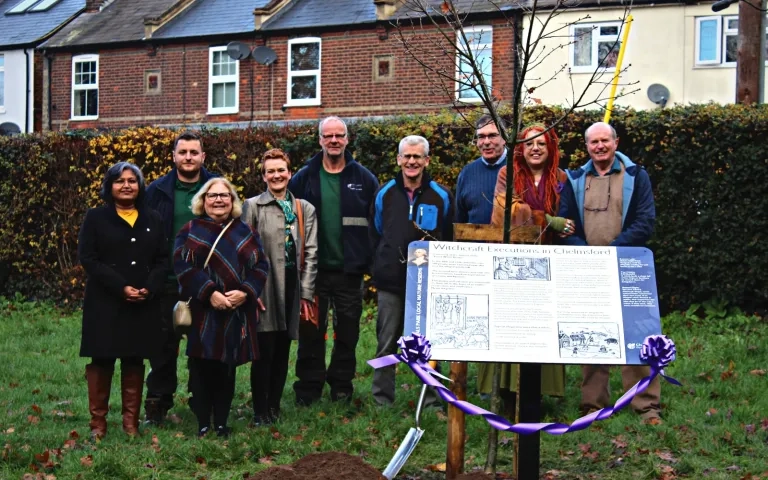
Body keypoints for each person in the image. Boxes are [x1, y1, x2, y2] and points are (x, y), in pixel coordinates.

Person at [558, 121, 660, 423]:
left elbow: (645, 221)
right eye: (594, 142)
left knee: (637, 335)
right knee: (591, 334)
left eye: (605, 140)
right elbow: (565, 224)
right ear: (586, 146)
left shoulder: (636, 176)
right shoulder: (575, 179)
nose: (600, 146)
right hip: (588, 269)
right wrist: (586, 253)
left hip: (628, 265)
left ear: (616, 142)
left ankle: (646, 405)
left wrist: (612, 251)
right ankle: (593, 405)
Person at [478, 125, 576, 417]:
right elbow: (502, 210)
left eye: (542, 144)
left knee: (540, 328)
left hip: (547, 264)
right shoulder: (508, 174)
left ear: (550, 149)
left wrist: (562, 224)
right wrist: (545, 218)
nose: (535, 148)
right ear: (520, 148)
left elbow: (568, 218)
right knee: (511, 328)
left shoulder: (560, 178)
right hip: (513, 264)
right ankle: (507, 395)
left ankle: (534, 396)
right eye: (530, 144)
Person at [288, 116, 379, 405]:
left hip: (349, 271)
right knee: (311, 333)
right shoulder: (303, 178)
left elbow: (374, 226)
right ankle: (308, 388)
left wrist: (368, 263)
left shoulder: (364, 179)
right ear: (320, 141)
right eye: (328, 136)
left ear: (348, 139)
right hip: (312, 273)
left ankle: (341, 385)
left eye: (339, 135)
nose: (334, 140)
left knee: (348, 331)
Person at [78, 162, 168, 439]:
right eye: (120, 181)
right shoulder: (95, 218)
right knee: (102, 360)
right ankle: (98, 425)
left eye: (132, 181)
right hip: (105, 302)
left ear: (140, 187)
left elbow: (163, 259)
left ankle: (131, 424)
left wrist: (148, 288)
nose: (126, 185)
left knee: (134, 359)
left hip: (141, 303)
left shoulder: (152, 218)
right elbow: (88, 259)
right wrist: (121, 287)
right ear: (110, 186)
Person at [174, 178, 269, 437]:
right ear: (203, 201)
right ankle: (204, 421)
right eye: (212, 196)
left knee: (227, 368)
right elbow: (182, 266)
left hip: (235, 311)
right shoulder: (190, 230)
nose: (218, 200)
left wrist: (246, 292)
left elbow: (261, 266)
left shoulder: (246, 231)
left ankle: (222, 422)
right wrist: (209, 292)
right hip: (203, 311)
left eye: (224, 196)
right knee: (202, 367)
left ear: (233, 201)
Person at [369, 135, 454, 406]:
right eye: (407, 156)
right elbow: (378, 230)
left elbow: (448, 235)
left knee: (427, 345)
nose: (412, 161)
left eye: (417, 156)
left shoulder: (441, 196)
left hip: (427, 284)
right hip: (391, 282)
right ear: (398, 159)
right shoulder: (385, 194)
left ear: (427, 161)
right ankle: (383, 400)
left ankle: (431, 400)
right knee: (386, 343)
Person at [143, 131, 218, 425]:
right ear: (173, 156)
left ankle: (204, 403)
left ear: (203, 157)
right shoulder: (156, 191)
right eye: (183, 152)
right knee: (162, 349)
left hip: (206, 284)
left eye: (194, 152)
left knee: (205, 348)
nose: (188, 157)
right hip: (167, 283)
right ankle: (158, 405)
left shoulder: (216, 188)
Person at [241, 149, 318, 425]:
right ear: (263, 176)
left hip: (292, 288)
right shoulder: (252, 206)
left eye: (281, 170)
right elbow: (243, 250)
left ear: (289, 172)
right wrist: (251, 291)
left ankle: (274, 407)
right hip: (264, 287)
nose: (276, 175)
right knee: (264, 350)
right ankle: (260, 411)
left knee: (283, 349)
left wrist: (307, 293)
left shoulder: (304, 208)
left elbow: (310, 251)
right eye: (270, 171)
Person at [455, 114, 508, 224]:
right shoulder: (467, 173)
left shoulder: (519, 168)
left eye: (492, 135)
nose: (486, 142)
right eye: (481, 137)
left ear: (504, 139)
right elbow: (460, 218)